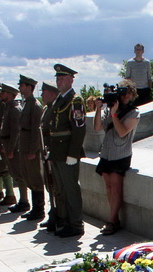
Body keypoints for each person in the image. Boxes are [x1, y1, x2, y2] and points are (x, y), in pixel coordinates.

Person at [93, 80, 140, 235]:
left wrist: (114, 113)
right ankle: (114, 218)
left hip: (121, 153)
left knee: (116, 184)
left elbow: (122, 132)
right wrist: (99, 109)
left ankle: (112, 221)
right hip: (107, 152)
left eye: (129, 93)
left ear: (133, 95)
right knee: (108, 186)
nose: (126, 96)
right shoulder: (113, 107)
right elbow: (97, 127)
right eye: (123, 93)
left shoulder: (134, 113)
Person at [46, 63, 86, 238]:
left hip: (67, 151)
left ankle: (76, 224)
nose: (59, 82)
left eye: (62, 78)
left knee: (71, 189)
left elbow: (79, 128)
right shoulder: (59, 99)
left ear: (71, 80)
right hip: (57, 151)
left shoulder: (75, 100)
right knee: (60, 189)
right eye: (58, 79)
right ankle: (65, 220)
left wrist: (73, 153)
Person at [17, 75, 45, 221]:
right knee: (28, 176)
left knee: (35, 178)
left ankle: (39, 209)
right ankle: (35, 208)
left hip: (31, 148)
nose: (20, 88)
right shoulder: (26, 103)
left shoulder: (35, 105)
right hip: (25, 145)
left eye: (22, 85)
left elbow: (36, 130)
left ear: (29, 87)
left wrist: (33, 150)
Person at [0, 83, 28, 213]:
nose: (1, 95)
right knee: (14, 173)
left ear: (10, 94)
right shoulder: (8, 107)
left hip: (15, 148)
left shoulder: (15, 109)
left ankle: (24, 200)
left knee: (19, 174)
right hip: (8, 145)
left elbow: (16, 132)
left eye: (3, 92)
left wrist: (11, 149)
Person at [39, 81, 60, 232]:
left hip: (53, 152)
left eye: (44, 91)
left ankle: (57, 215)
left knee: (55, 186)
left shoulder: (55, 109)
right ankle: (53, 213)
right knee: (49, 185)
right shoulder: (47, 109)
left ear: (51, 93)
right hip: (46, 152)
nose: (41, 94)